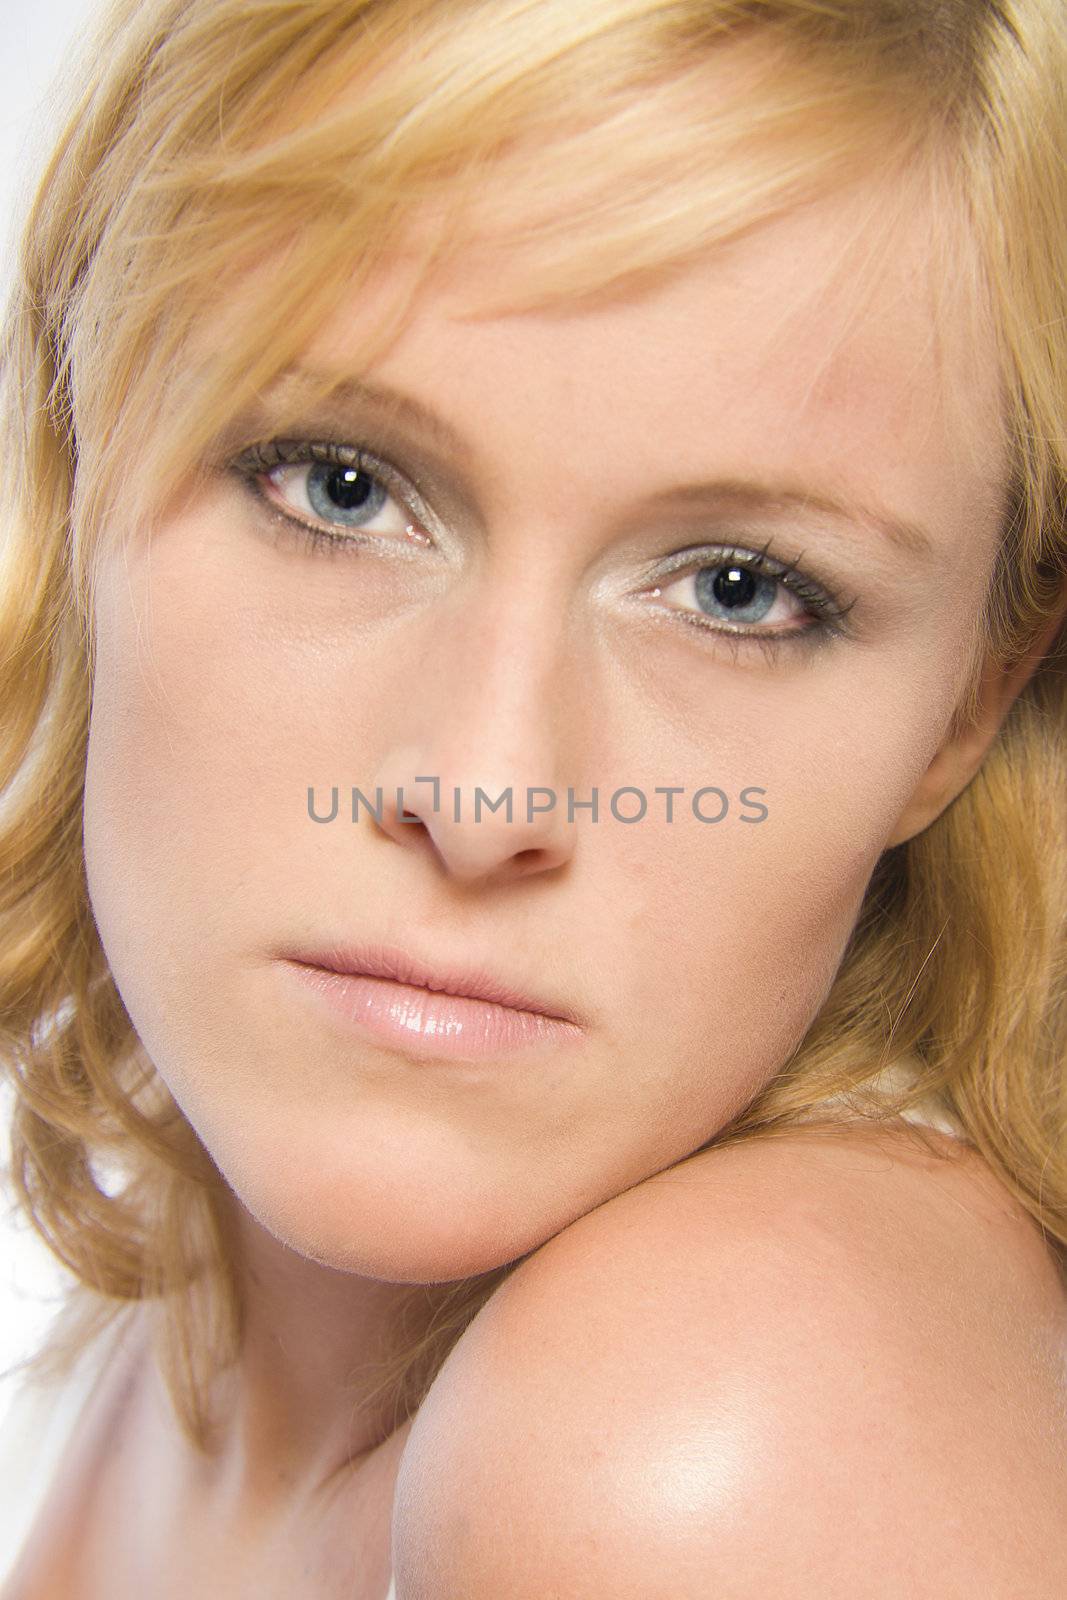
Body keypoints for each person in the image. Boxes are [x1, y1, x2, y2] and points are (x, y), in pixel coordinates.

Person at [1, 0, 1066, 1592]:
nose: (485, 791)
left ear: (967, 707)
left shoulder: (706, 1433)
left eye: (737, 589)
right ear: (80, 450)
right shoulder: (182, 1290)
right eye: (342, 487)